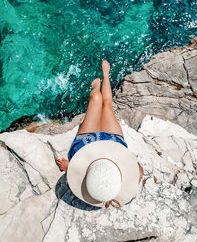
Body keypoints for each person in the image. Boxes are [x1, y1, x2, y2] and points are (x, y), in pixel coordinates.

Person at [56, 59, 144, 208]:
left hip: (86, 147)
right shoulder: (120, 192)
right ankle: (105, 76)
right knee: (106, 105)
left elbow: (138, 169)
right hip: (114, 146)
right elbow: (139, 170)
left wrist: (69, 167)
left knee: (97, 99)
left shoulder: (97, 189)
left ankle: (95, 87)